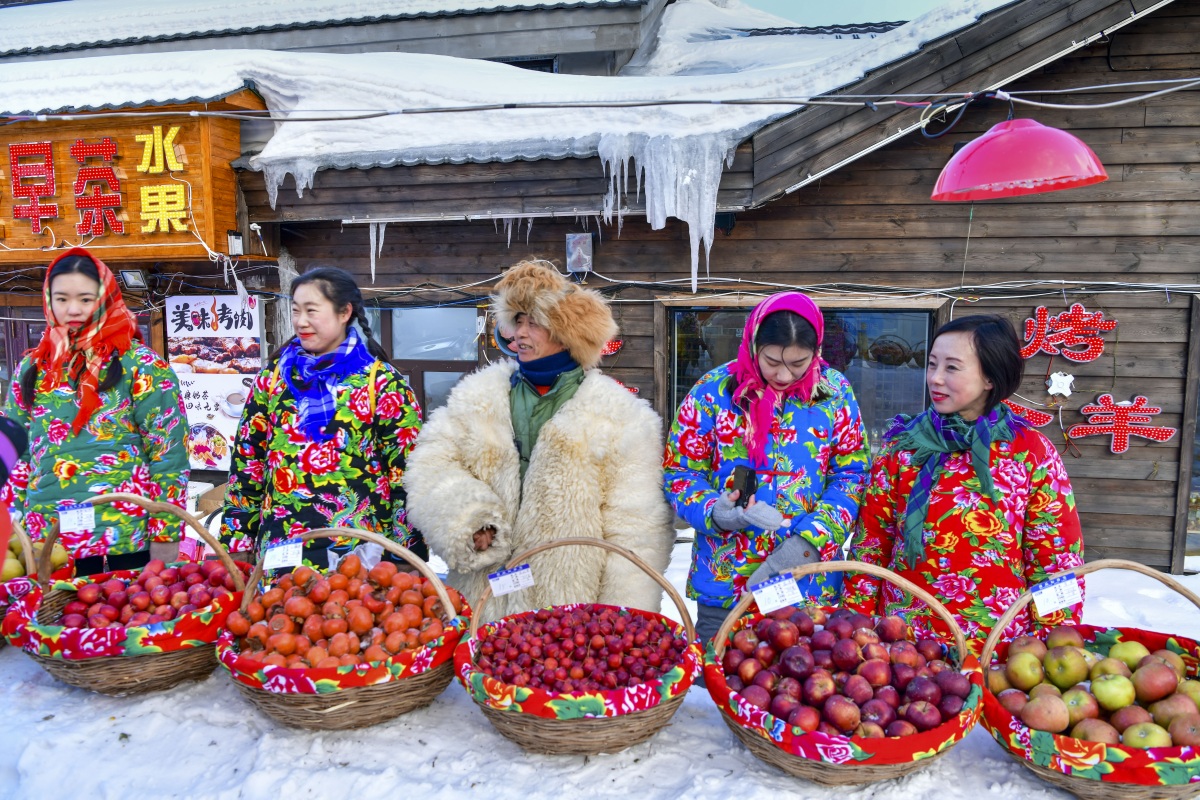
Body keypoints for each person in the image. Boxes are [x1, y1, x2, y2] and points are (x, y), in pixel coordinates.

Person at [404, 259, 673, 620]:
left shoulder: (620, 415)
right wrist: (470, 519)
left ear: (567, 332)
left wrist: (620, 618)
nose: (520, 334)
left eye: (535, 322)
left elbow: (636, 528)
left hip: (571, 609)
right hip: (484, 601)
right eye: (517, 320)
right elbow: (432, 468)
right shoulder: (475, 399)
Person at [842, 315, 1085, 656]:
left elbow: (1055, 560)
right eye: (932, 364)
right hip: (901, 647)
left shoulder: (1030, 453)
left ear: (990, 376)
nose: (935, 378)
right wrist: (858, 627)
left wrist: (1055, 644)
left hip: (998, 650)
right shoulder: (904, 447)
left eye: (952, 368)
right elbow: (871, 546)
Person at [663, 292, 871, 649]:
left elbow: (852, 475)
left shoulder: (834, 393)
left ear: (816, 352)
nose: (783, 374)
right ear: (753, 343)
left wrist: (809, 543)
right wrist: (714, 511)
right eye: (772, 360)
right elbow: (680, 471)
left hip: (806, 584)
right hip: (726, 580)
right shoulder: (712, 392)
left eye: (798, 363)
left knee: (799, 687)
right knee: (716, 684)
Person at [220, 267, 426, 568]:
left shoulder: (381, 383)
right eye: (295, 311)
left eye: (312, 311)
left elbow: (407, 474)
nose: (301, 321)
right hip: (282, 549)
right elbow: (248, 463)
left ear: (345, 312)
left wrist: (407, 556)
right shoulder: (274, 379)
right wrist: (237, 541)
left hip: (360, 556)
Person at [0, 248, 188, 575]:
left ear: (105, 299)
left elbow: (168, 454)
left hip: (130, 538)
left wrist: (166, 535)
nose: (73, 309)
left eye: (85, 299)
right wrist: (9, 529)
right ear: (48, 300)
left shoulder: (141, 366)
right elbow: (15, 454)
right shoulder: (31, 368)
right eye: (61, 299)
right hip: (51, 540)